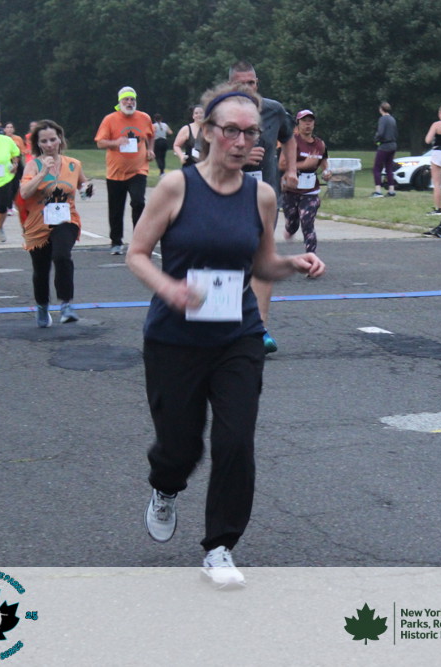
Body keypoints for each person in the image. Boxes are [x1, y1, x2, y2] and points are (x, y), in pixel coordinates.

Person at [126, 82, 325, 588]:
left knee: (235, 441)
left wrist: (293, 264)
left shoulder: (261, 196)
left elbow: (261, 265)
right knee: (180, 446)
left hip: (238, 334)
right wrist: (169, 289)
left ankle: (220, 546)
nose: (241, 142)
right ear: (208, 132)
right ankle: (166, 486)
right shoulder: (176, 187)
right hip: (174, 338)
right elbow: (137, 254)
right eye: (231, 131)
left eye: (251, 133)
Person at [228, 60, 300, 355]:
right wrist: (238, 158)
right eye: (241, 83)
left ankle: (259, 328)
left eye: (252, 82)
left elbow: (289, 138)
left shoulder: (273, 110)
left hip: (263, 197)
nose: (248, 88)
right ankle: (225, 324)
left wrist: (291, 169)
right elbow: (201, 157)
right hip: (226, 196)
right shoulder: (217, 113)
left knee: (262, 258)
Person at [19, 120, 92, 328]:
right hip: (38, 223)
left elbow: (83, 185)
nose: (49, 144)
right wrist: (43, 173)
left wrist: (87, 189)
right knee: (41, 270)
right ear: (38, 144)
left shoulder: (73, 164)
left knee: (61, 255)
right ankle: (42, 306)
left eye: (53, 139)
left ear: (60, 139)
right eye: (44, 141)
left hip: (66, 219)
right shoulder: (33, 165)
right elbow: (24, 193)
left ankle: (66, 304)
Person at [95, 86, 155, 255]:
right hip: (116, 172)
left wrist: (150, 150)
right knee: (116, 209)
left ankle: (139, 241)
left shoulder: (144, 118)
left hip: (138, 169)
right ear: (120, 102)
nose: (129, 103)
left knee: (138, 202)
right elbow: (100, 142)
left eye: (132, 100)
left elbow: (151, 135)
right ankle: (116, 242)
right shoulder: (110, 119)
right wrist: (115, 143)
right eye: (126, 100)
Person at [280, 109, 331, 254]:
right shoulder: (291, 141)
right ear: (298, 123)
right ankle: (290, 229)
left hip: (310, 191)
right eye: (304, 121)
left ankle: (311, 257)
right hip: (291, 189)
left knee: (307, 223)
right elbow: (281, 165)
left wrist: (327, 172)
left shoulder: (320, 144)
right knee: (292, 223)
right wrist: (304, 164)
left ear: (314, 124)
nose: (307, 124)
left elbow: (323, 163)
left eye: (310, 121)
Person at [371, 102, 397, 197]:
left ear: (381, 109)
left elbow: (380, 133)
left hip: (384, 146)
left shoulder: (382, 119)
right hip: (393, 145)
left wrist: (376, 140)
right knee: (389, 168)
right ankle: (391, 190)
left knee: (377, 168)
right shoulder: (392, 119)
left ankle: (378, 191)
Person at [4, 123, 27, 216]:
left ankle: (15, 202)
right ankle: (9, 206)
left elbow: (23, 151)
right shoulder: (2, 139)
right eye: (7, 127)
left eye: (11, 127)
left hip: (17, 161)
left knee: (16, 185)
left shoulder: (18, 139)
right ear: (4, 129)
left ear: (13, 129)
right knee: (8, 185)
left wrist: (17, 161)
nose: (9, 129)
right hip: (7, 163)